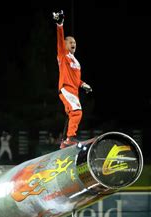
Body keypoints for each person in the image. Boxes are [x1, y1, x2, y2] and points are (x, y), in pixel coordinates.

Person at [52, 10, 92, 149]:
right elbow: (60, 37)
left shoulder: (76, 61)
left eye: (75, 42)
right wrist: (60, 25)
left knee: (71, 114)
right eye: (70, 42)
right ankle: (70, 138)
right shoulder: (63, 54)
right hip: (66, 88)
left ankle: (64, 142)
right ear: (65, 44)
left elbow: (76, 79)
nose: (73, 43)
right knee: (77, 112)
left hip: (73, 90)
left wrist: (83, 84)